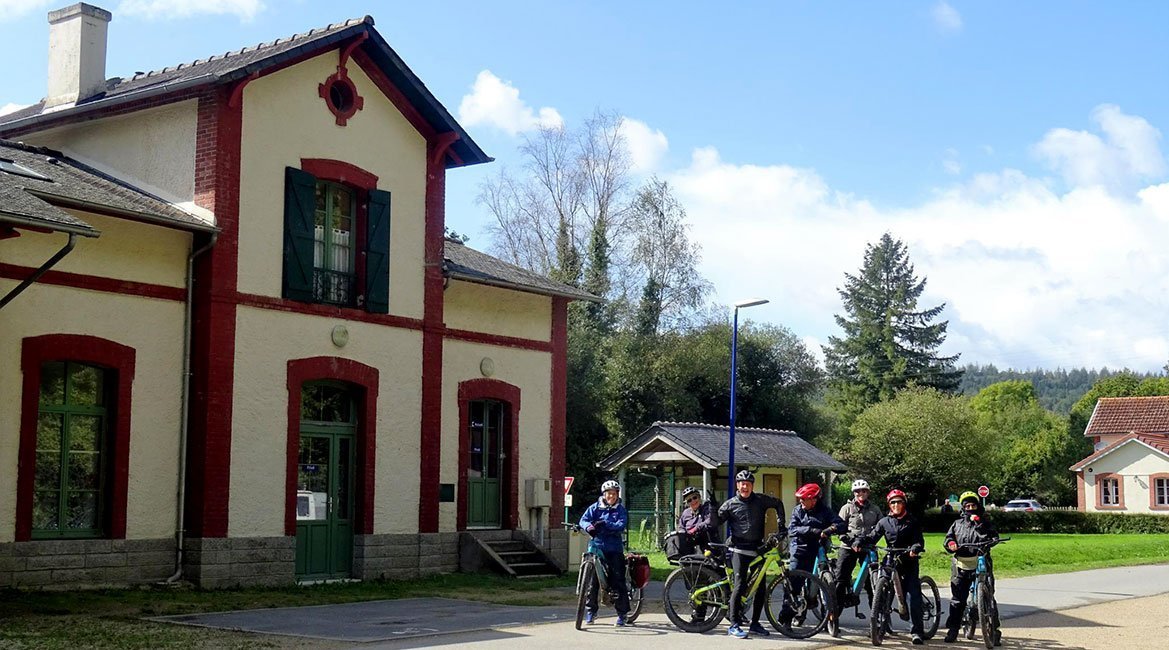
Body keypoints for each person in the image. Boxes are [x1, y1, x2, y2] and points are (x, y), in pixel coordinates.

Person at [716, 469, 785, 639]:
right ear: (737, 486)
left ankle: (755, 623)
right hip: (739, 550)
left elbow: (778, 504)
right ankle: (733, 624)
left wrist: (781, 525)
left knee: (760, 588)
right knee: (740, 585)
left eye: (748, 483)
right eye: (742, 483)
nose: (745, 486)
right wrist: (711, 510)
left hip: (757, 549)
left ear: (752, 485)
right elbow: (715, 522)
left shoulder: (760, 500)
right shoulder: (730, 504)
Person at [776, 482, 845, 630]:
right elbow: (792, 530)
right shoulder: (798, 511)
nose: (800, 502)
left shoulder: (825, 511)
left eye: (803, 499)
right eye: (799, 499)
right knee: (793, 584)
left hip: (818, 547)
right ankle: (786, 619)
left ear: (813, 499)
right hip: (800, 549)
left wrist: (830, 529)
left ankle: (828, 619)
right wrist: (812, 530)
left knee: (827, 582)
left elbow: (841, 524)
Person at [943, 491, 1001, 645]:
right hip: (962, 564)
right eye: (967, 506)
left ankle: (994, 631)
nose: (970, 508)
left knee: (989, 598)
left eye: (973, 505)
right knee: (957, 600)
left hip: (981, 562)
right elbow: (948, 539)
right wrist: (951, 545)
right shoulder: (957, 524)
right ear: (963, 508)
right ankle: (953, 629)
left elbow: (994, 537)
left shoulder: (985, 522)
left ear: (978, 506)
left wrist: (980, 526)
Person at [871, 488, 927, 645]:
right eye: (893, 502)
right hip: (890, 560)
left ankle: (916, 631)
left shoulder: (912, 521)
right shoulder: (884, 522)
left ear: (904, 504)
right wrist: (859, 542)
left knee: (913, 595)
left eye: (899, 502)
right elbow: (872, 537)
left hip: (908, 561)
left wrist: (915, 548)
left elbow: (919, 541)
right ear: (889, 504)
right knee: (881, 592)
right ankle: (881, 625)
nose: (896, 504)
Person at [578, 479, 631, 627]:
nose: (611, 497)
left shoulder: (620, 509)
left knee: (617, 580)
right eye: (609, 494)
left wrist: (606, 524)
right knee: (591, 582)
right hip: (595, 547)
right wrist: (589, 527)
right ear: (604, 494)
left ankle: (622, 613)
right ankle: (591, 612)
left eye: (614, 494)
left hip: (613, 548)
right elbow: (583, 520)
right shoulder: (595, 508)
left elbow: (621, 524)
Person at [833, 479, 882, 628]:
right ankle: (834, 616)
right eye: (858, 491)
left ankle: (878, 617)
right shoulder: (846, 508)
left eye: (864, 491)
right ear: (854, 493)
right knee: (840, 580)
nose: (861, 493)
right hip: (848, 548)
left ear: (868, 492)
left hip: (867, 548)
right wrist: (850, 542)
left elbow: (881, 527)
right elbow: (839, 528)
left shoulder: (875, 509)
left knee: (873, 584)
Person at [678, 486, 717, 552]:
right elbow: (681, 528)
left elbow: (710, 521)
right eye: (689, 500)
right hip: (690, 544)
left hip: (706, 544)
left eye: (694, 498)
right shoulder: (685, 513)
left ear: (699, 497)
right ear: (687, 503)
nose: (693, 501)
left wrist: (696, 528)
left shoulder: (706, 509)